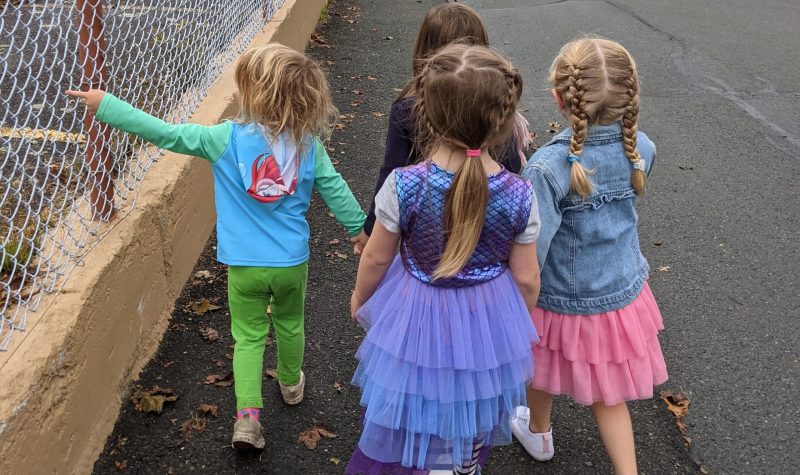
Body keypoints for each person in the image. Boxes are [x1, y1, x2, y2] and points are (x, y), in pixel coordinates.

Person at [67, 43, 368, 451]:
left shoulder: (223, 139)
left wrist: (108, 106)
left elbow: (167, 134)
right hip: (290, 263)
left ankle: (247, 419)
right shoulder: (308, 146)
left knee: (247, 337)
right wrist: (359, 231)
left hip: (243, 265)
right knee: (290, 324)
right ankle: (291, 383)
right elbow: (337, 192)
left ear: (254, 93)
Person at [346, 43, 541, 475]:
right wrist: (514, 321)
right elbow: (527, 279)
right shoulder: (520, 194)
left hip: (416, 307)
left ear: (427, 115)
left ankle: (419, 460)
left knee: (415, 386)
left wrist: (361, 297)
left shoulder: (404, 185)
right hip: (488, 315)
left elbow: (377, 257)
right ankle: (459, 465)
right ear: (503, 122)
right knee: (470, 395)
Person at [512, 37, 668, 475]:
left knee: (541, 364)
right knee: (608, 394)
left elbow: (534, 250)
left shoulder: (546, 167)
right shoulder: (643, 148)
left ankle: (539, 432)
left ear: (559, 98)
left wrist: (514, 300)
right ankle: (621, 468)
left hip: (561, 296)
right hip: (620, 288)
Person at [362, 2, 531, 237]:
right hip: (485, 220)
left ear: (426, 52)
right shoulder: (498, 103)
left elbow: (392, 170)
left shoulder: (407, 108)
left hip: (425, 223)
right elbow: (512, 167)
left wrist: (372, 228)